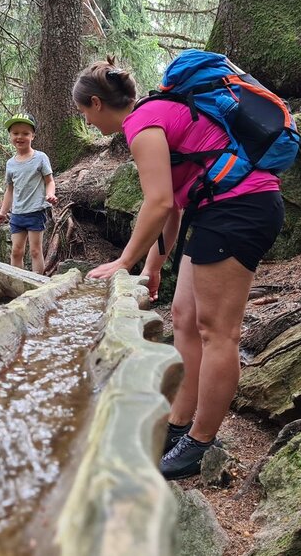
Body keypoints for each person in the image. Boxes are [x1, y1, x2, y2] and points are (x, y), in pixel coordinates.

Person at [73, 58, 284, 480]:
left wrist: (124, 260)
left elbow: (158, 204)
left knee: (217, 331)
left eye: (84, 114)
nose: (87, 123)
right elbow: (173, 204)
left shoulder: (142, 124)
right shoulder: (156, 116)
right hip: (214, 211)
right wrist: (153, 267)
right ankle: (178, 425)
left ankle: (200, 444)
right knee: (185, 319)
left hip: (240, 209)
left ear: (96, 103)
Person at [0, 113, 58, 274]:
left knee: (35, 251)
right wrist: (3, 212)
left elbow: (49, 180)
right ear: (10, 136)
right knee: (16, 251)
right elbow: (10, 189)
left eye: (25, 133)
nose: (19, 137)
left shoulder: (40, 158)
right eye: (15, 133)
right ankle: (18, 283)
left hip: (36, 211)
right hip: (17, 214)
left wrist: (50, 195)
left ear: (33, 135)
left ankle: (39, 285)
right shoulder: (11, 164)